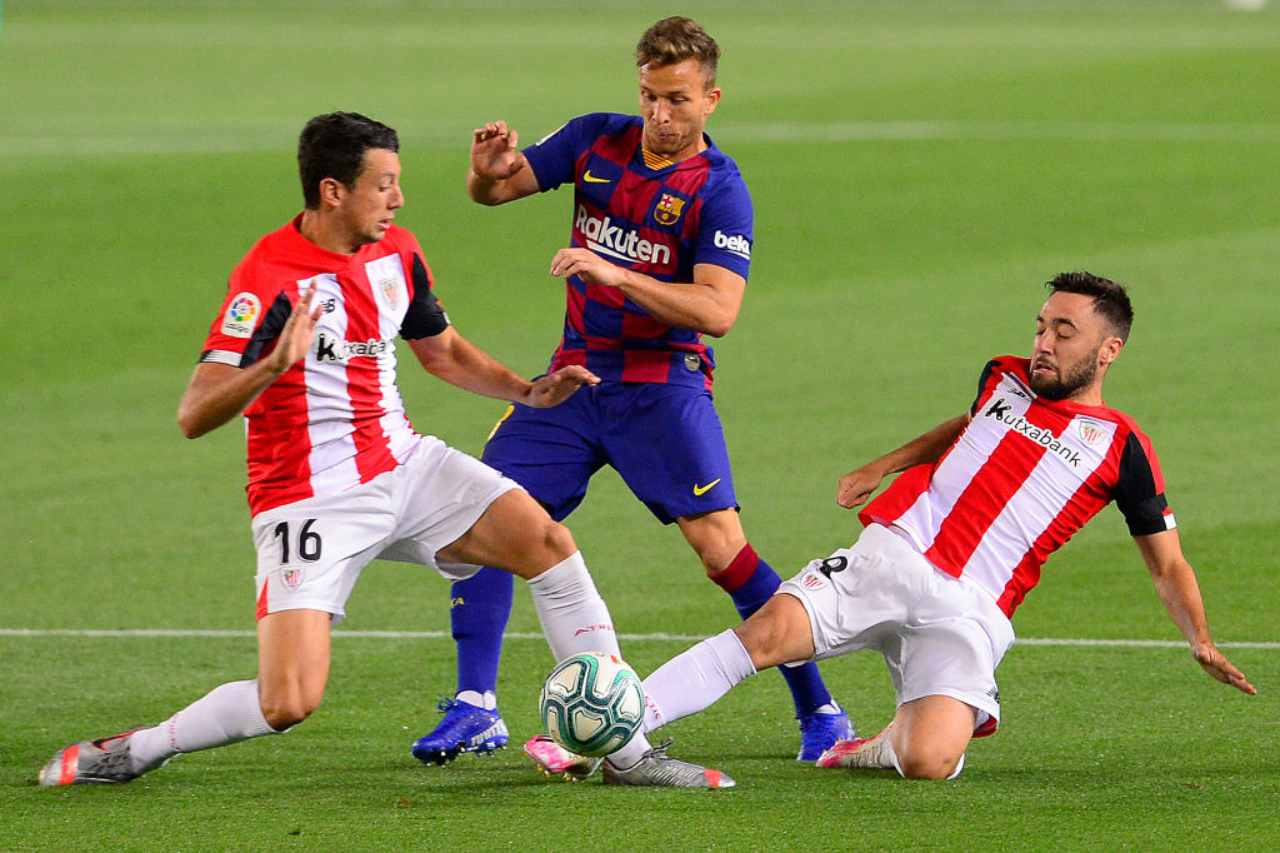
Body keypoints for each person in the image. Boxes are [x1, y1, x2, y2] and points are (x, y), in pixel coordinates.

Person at [37, 112, 732, 789]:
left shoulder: (397, 252)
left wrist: (528, 391)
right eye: (383, 185)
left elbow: (442, 351)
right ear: (332, 191)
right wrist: (272, 366)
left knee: (547, 541)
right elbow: (194, 413)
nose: (398, 198)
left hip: (403, 463)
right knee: (289, 701)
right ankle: (134, 749)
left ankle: (627, 751)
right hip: (308, 498)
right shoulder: (269, 277)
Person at [412, 15, 849, 774]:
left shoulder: (720, 191)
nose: (660, 115)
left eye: (678, 99)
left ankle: (819, 707)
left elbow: (719, 311)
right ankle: (475, 706)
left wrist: (618, 275)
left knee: (722, 551)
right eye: (649, 96)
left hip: (662, 388)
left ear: (712, 98)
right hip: (574, 380)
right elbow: (496, 191)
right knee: (487, 513)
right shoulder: (595, 140)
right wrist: (486, 169)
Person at [615, 272, 1256, 782]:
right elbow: (969, 425)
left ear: (1108, 350)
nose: (1044, 343)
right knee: (766, 635)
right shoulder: (1003, 377)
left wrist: (1198, 637)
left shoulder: (1124, 448)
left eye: (1065, 332)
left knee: (929, 761)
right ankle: (613, 726)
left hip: (973, 609)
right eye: (1041, 326)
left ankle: (869, 748)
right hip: (897, 551)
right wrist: (883, 465)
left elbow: (1167, 563)